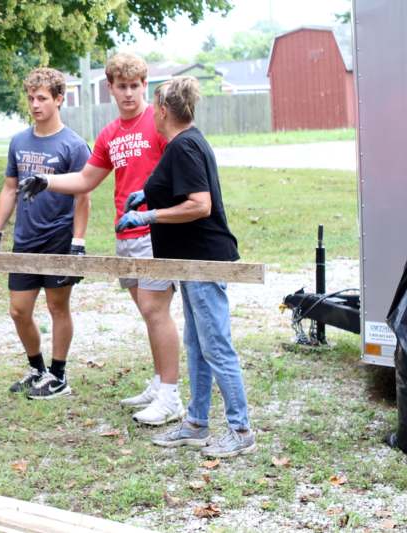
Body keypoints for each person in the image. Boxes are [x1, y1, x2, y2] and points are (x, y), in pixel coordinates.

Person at [16, 53, 183, 424]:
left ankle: (171, 395)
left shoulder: (159, 124)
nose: (128, 94)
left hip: (157, 233)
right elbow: (87, 180)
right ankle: (159, 382)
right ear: (110, 88)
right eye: (121, 86)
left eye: (135, 86)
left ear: (145, 85)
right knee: (148, 313)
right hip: (127, 234)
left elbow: (185, 166)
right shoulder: (110, 134)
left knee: (157, 311)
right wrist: (47, 181)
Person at [115, 76, 255, 457]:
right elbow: (182, 191)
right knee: (196, 343)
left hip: (204, 260)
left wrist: (150, 217)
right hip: (189, 262)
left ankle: (240, 429)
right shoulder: (184, 144)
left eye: (154, 110)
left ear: (162, 110)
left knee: (216, 344)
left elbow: (200, 204)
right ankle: (195, 423)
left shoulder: (185, 146)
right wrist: (148, 195)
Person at [0, 68, 91, 399]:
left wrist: (78, 242)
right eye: (31, 98)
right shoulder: (19, 141)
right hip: (26, 238)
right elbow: (9, 188)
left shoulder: (73, 145)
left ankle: (58, 375)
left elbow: (83, 196)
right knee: (18, 310)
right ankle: (37, 369)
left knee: (58, 307)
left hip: (58, 237)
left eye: (42, 98)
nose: (35, 104)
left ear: (59, 99)